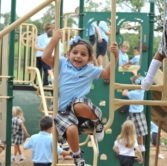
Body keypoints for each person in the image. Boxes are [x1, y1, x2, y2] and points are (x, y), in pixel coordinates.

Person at [42, 29, 118, 166]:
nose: (78, 56)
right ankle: (78, 157)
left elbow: (106, 74)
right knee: (70, 129)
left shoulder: (90, 69)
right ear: (68, 54)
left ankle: (97, 123)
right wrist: (54, 40)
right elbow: (45, 58)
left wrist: (115, 57)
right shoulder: (62, 63)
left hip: (81, 108)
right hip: (63, 111)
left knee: (78, 104)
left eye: (83, 54)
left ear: (89, 59)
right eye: (75, 52)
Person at [122, 75, 148, 152]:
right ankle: (141, 146)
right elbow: (143, 81)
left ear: (135, 85)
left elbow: (124, 93)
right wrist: (136, 75)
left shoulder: (133, 93)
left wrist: (127, 86)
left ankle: (134, 145)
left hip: (133, 114)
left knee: (131, 130)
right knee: (140, 131)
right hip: (140, 113)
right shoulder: (142, 90)